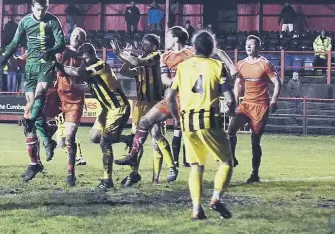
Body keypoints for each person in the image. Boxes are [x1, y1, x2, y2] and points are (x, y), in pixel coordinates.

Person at [115, 26, 237, 181]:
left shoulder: (193, 51)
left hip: (190, 99)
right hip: (172, 97)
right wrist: (178, 81)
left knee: (195, 137)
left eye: (167, 36)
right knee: (145, 122)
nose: (164, 39)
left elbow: (218, 52)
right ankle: (133, 156)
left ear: (175, 38)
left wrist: (232, 67)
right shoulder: (165, 57)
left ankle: (221, 165)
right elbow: (165, 79)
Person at [167, 30, 236, 220]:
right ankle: (215, 198)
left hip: (187, 121)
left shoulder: (183, 67)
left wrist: (176, 117)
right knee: (226, 162)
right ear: (212, 48)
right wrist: (232, 111)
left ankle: (197, 209)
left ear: (194, 47)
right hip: (208, 119)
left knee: (196, 166)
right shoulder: (217, 66)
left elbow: (169, 96)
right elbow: (229, 98)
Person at [0, 0, 66, 182]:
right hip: (30, 66)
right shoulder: (26, 22)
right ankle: (44, 147)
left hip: (47, 65)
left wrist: (51, 51)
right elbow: (14, 42)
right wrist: (4, 58)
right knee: (30, 111)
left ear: (47, 8)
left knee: (40, 94)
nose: (41, 12)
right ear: (32, 7)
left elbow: (62, 43)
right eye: (38, 9)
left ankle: (43, 146)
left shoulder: (53, 21)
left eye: (44, 9)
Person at [62, 43, 130, 191]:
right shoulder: (90, 69)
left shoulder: (100, 66)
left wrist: (59, 66)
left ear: (92, 55)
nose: (84, 61)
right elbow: (88, 85)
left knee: (105, 142)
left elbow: (78, 73)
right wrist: (73, 85)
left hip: (118, 108)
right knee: (95, 137)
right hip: (106, 109)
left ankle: (107, 180)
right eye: (82, 59)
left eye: (85, 58)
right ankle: (127, 139)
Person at [112, 33, 170, 187]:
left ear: (154, 46)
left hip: (155, 104)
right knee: (136, 140)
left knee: (156, 138)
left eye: (146, 43)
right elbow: (124, 72)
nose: (142, 46)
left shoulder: (156, 57)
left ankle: (158, 176)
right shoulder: (141, 68)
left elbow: (138, 61)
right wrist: (127, 58)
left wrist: (120, 53)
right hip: (140, 105)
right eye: (142, 43)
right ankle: (134, 173)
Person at [227, 35, 282, 183]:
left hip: (260, 106)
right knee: (231, 129)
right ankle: (232, 158)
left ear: (259, 47)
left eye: (252, 45)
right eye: (247, 44)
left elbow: (277, 83)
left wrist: (274, 101)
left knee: (255, 140)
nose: (248, 47)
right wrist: (234, 101)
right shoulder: (241, 64)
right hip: (245, 104)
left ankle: (254, 173)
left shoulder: (265, 64)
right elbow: (238, 83)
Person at [44, 27, 87, 186]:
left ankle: (71, 173)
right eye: (75, 34)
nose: (76, 37)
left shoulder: (84, 56)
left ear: (83, 40)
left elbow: (79, 74)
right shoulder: (62, 51)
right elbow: (56, 67)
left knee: (69, 137)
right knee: (35, 119)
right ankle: (38, 157)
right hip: (57, 98)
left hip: (74, 100)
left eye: (79, 35)